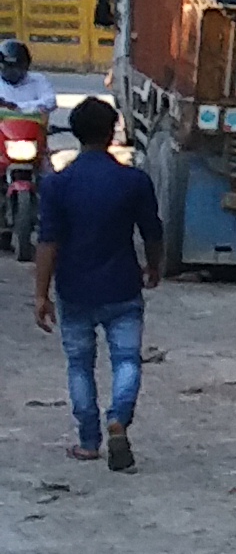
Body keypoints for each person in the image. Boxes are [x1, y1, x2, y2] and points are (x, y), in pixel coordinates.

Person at [31, 96, 159, 470]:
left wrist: (41, 294)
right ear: (112, 132)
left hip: (74, 289)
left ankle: (89, 442)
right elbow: (152, 231)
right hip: (122, 285)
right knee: (126, 360)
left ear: (74, 132)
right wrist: (154, 266)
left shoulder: (58, 184)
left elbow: (48, 242)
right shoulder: (134, 181)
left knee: (79, 365)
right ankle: (118, 418)